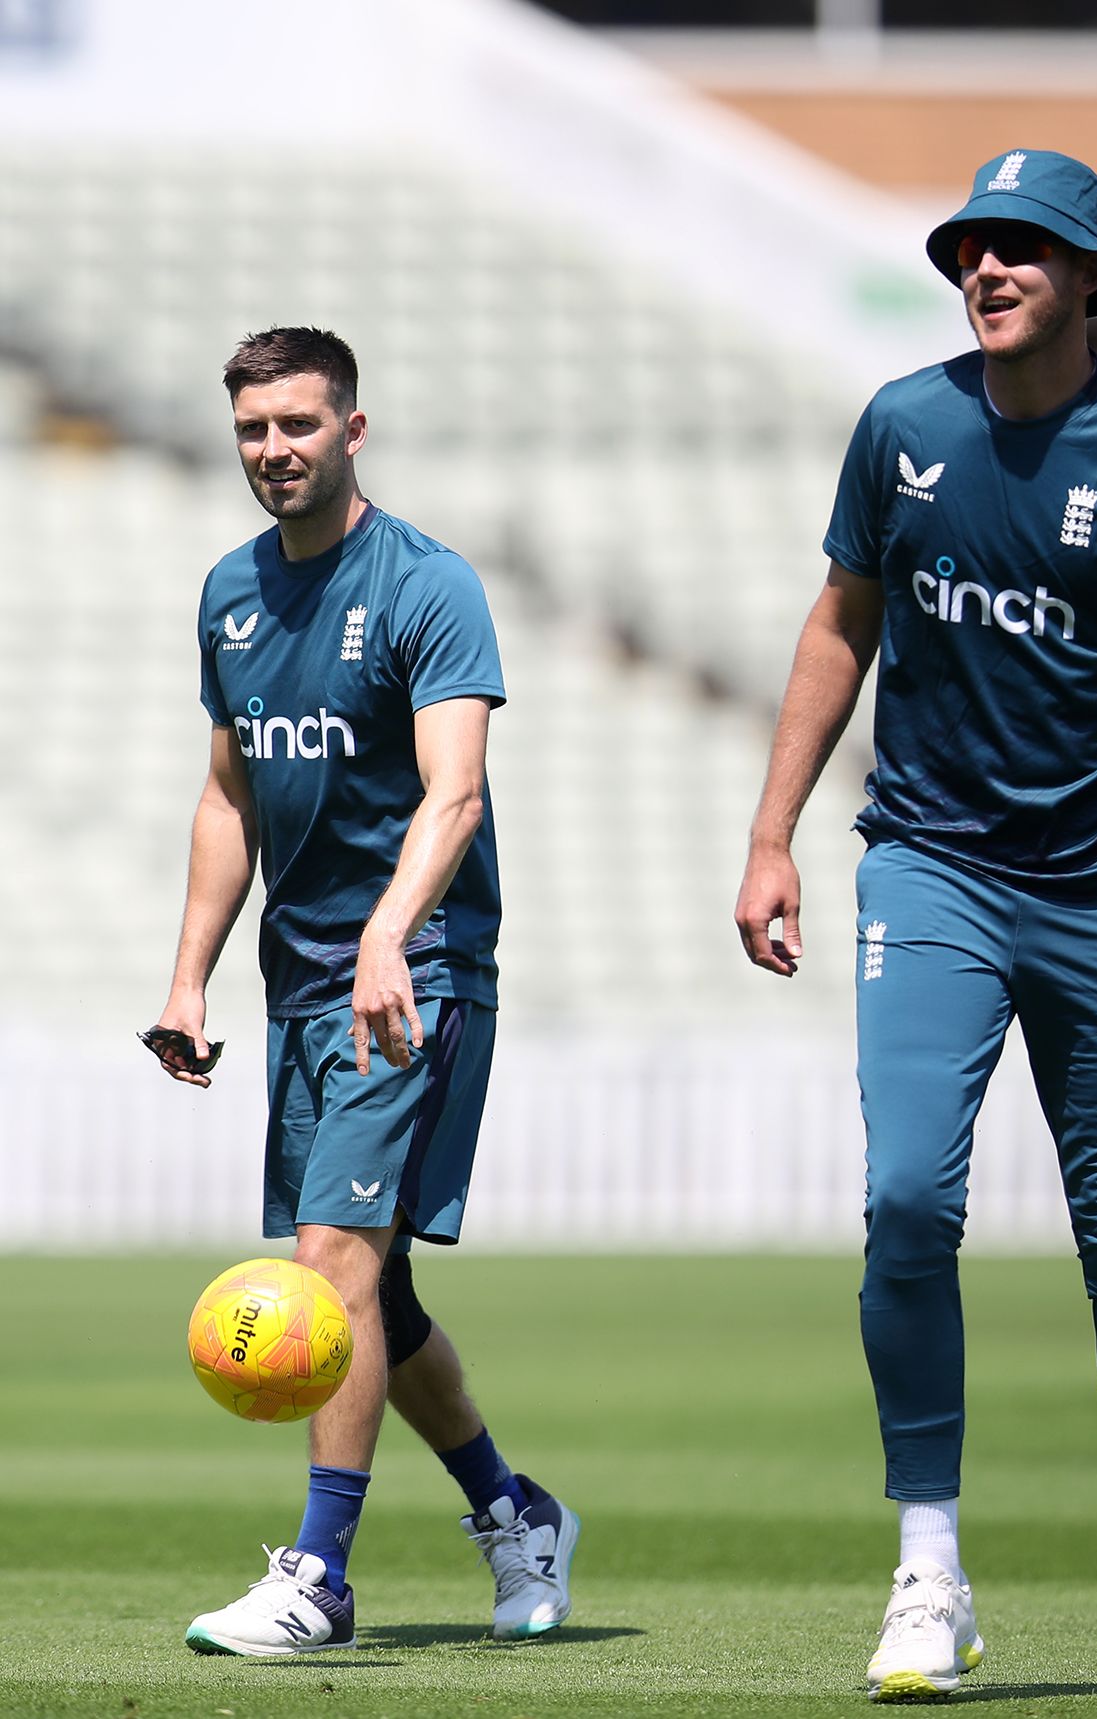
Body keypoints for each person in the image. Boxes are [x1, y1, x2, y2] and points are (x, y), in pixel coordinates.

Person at [735, 151, 1097, 1704]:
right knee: (910, 1203)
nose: (986, 271)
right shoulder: (903, 428)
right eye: (971, 250)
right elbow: (839, 623)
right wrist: (771, 834)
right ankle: (930, 1572)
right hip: (926, 871)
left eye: (1020, 251)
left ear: (1088, 280)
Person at [146, 326, 578, 1657]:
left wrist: (392, 932)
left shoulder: (427, 585)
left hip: (415, 983)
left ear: (353, 429)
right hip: (299, 995)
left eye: (299, 425)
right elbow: (231, 793)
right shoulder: (228, 590)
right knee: (370, 1304)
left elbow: (457, 790)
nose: (275, 450)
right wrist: (189, 982)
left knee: (328, 1275)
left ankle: (321, 1579)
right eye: (253, 430)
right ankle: (515, 1510)